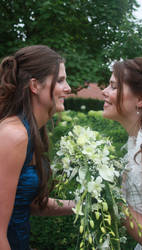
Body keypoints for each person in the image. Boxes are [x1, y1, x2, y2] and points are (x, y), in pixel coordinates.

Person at [0, 45, 75, 250]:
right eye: (60, 80)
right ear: (35, 85)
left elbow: (27, 202)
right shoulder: (13, 135)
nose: (68, 88)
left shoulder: (30, 131)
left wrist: (82, 205)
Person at [102, 57, 142, 250]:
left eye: (113, 86)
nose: (104, 92)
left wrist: (107, 196)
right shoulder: (138, 141)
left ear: (140, 99)